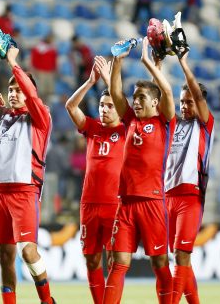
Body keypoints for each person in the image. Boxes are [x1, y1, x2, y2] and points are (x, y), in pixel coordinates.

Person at [0, 32, 56, 304]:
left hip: (24, 191)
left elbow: (31, 93)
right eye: (11, 90)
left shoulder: (40, 117)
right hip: (0, 191)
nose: (14, 93)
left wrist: (12, 62)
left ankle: (47, 300)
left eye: (19, 89)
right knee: (5, 256)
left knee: (28, 252)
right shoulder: (1, 115)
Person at [104, 38, 176, 304]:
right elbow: (114, 91)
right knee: (118, 262)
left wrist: (149, 64)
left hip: (152, 202)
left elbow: (168, 92)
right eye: (134, 97)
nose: (135, 102)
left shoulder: (163, 121)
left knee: (159, 263)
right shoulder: (130, 120)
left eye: (141, 97)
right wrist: (118, 60)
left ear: (155, 103)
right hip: (126, 202)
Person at [65, 56, 126, 304]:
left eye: (110, 105)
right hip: (89, 204)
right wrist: (91, 81)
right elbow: (71, 106)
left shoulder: (125, 130)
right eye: (102, 105)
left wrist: (113, 82)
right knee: (91, 259)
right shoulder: (91, 128)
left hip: (114, 204)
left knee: (114, 259)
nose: (104, 109)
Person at [165, 50, 214, 304]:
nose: (184, 106)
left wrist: (183, 63)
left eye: (189, 101)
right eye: (181, 102)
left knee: (182, 254)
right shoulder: (174, 124)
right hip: (168, 195)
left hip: (190, 196)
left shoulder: (205, 124)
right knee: (179, 258)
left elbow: (196, 93)